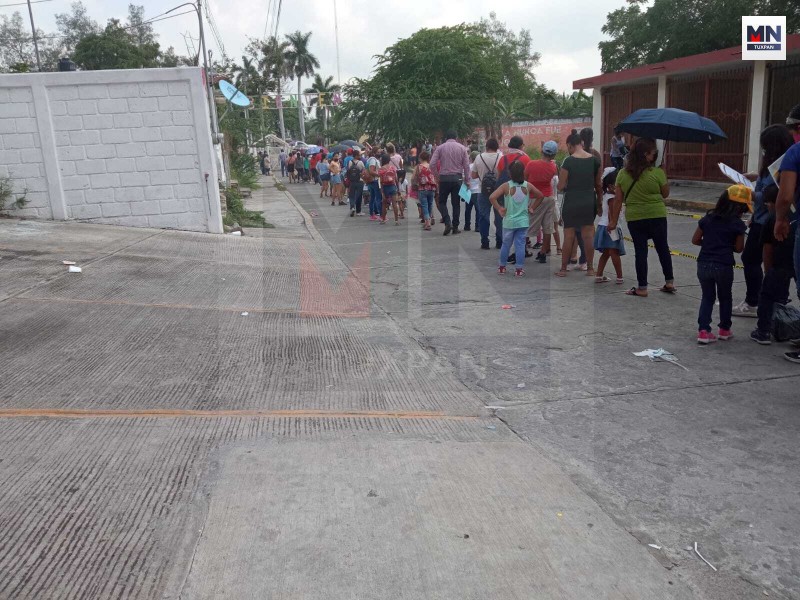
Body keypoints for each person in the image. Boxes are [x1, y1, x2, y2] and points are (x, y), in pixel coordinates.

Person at [734, 125, 795, 317]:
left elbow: (775, 195)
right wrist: (753, 176)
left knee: (757, 261)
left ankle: (757, 302)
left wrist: (749, 194)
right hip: (760, 219)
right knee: (767, 263)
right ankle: (771, 304)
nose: (763, 151)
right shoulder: (773, 163)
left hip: (770, 222)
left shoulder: (785, 163)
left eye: (766, 147)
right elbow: (766, 182)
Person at [608, 137, 674, 296]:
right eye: (653, 153)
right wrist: (663, 176)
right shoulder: (657, 172)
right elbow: (665, 194)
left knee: (641, 251)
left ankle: (642, 288)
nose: (655, 156)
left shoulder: (622, 174)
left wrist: (613, 221)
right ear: (645, 154)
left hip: (635, 218)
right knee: (662, 248)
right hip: (657, 215)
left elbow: (618, 200)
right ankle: (669, 282)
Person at [691, 185, 749, 344]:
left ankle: (703, 331)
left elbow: (695, 240)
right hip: (723, 264)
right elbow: (739, 248)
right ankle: (724, 329)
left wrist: (710, 243)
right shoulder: (738, 224)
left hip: (703, 263)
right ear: (740, 208)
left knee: (707, 297)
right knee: (725, 297)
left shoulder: (708, 218)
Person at [750, 185, 797, 344]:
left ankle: (763, 331)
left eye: (768, 204)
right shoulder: (795, 215)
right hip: (793, 265)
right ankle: (784, 329)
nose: (767, 207)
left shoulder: (773, 219)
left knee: (767, 297)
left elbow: (767, 248)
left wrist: (768, 271)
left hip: (778, 265)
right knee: (782, 299)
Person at [555, 130, 601, 277]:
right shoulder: (595, 160)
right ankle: (590, 269)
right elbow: (598, 184)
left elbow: (560, 186)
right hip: (589, 200)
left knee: (569, 235)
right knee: (588, 235)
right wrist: (599, 203)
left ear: (569, 145)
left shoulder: (568, 161)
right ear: (581, 143)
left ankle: (563, 269)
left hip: (572, 201)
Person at [488, 160, 543, 277]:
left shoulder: (506, 186)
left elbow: (492, 197)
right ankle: (519, 269)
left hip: (509, 222)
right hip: (523, 221)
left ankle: (502, 267)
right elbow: (540, 196)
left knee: (506, 245)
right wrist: (532, 207)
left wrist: (499, 208)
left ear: (510, 173)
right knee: (520, 245)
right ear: (523, 172)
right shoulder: (528, 186)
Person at [524, 140, 559, 263]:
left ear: (541, 151)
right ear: (554, 155)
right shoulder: (553, 167)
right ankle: (543, 252)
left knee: (527, 224)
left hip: (534, 198)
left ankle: (522, 249)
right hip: (549, 197)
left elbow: (525, 179)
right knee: (547, 226)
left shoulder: (531, 164)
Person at [430, 130, 470, 236]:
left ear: (446, 138)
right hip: (457, 179)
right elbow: (466, 166)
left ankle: (447, 222)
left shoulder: (440, 148)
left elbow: (432, 164)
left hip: (444, 179)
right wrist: (467, 180)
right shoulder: (462, 148)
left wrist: (437, 176)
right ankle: (455, 227)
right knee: (456, 204)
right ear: (456, 138)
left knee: (442, 202)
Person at [594, 167, 626, 283]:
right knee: (614, 253)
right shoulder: (613, 198)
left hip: (603, 227)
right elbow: (612, 216)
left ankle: (599, 275)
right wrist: (613, 227)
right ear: (610, 186)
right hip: (611, 228)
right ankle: (619, 277)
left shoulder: (606, 195)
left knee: (606, 253)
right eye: (617, 185)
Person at [472, 138, 503, 249]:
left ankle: (484, 242)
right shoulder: (501, 157)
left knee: (483, 216)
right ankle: (500, 241)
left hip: (482, 191)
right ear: (497, 147)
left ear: (487, 146)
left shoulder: (478, 157)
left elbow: (473, 175)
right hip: (498, 191)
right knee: (499, 216)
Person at [415, 151, 437, 230]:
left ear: (420, 158)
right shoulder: (432, 166)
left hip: (422, 188)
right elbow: (435, 176)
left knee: (424, 205)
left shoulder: (419, 167)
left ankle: (427, 222)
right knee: (430, 205)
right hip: (431, 188)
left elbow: (415, 177)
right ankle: (429, 220)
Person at [378, 154, 401, 224]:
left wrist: (382, 191)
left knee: (384, 204)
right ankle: (396, 220)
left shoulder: (381, 169)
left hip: (385, 187)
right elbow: (396, 179)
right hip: (392, 186)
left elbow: (381, 181)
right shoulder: (392, 168)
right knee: (394, 204)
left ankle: (383, 219)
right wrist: (398, 188)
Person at [464, 151, 481, 231]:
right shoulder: (479, 167)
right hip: (477, 190)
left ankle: (467, 225)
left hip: (467, 190)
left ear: (471, 158)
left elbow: (464, 178)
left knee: (468, 209)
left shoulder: (467, 167)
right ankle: (477, 226)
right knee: (478, 209)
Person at [346, 149, 365, 217]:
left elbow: (348, 171)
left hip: (352, 181)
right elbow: (363, 171)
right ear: (356, 156)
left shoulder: (350, 162)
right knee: (359, 196)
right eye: (359, 155)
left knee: (352, 195)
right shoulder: (361, 162)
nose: (360, 156)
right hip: (360, 181)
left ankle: (352, 207)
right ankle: (358, 211)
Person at [365, 148, 383, 221]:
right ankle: (381, 215)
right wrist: (379, 175)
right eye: (378, 152)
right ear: (374, 153)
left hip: (371, 181)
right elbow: (372, 171)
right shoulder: (373, 160)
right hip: (375, 181)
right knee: (378, 198)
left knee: (372, 198)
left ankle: (372, 214)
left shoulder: (370, 159)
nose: (379, 153)